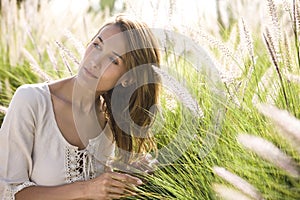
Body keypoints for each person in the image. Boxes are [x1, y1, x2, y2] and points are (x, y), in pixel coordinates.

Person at [0, 14, 161, 199]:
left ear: (128, 78)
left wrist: (129, 174)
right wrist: (87, 189)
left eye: (113, 60)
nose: (95, 61)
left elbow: (103, 186)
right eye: (97, 45)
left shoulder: (113, 122)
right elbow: (7, 192)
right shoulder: (32, 100)